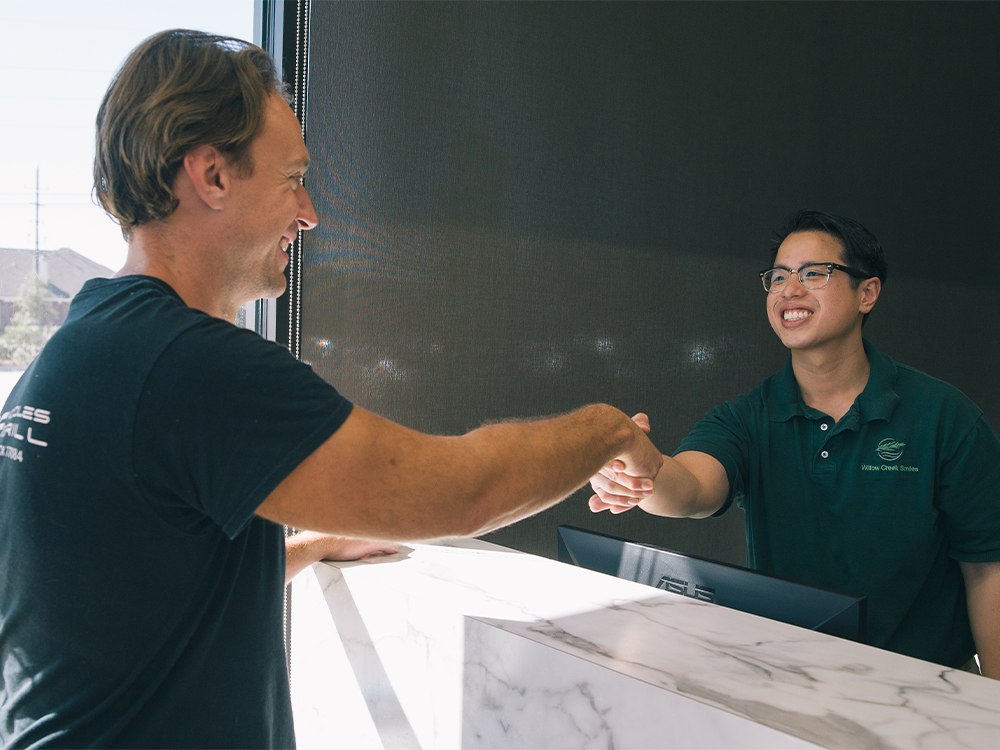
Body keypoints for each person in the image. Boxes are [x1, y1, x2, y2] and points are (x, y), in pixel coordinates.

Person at [0, 30, 661, 748]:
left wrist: (305, 547)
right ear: (211, 176)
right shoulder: (187, 364)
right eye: (291, 177)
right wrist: (606, 429)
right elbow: (456, 492)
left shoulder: (84, 344)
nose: (310, 210)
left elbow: (135, 585)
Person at [590, 209, 1000, 679]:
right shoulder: (749, 416)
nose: (790, 289)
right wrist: (645, 469)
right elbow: (691, 490)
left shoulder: (944, 416)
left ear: (867, 293)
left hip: (929, 690)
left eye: (814, 273)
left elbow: (988, 568)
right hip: (789, 684)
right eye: (778, 276)